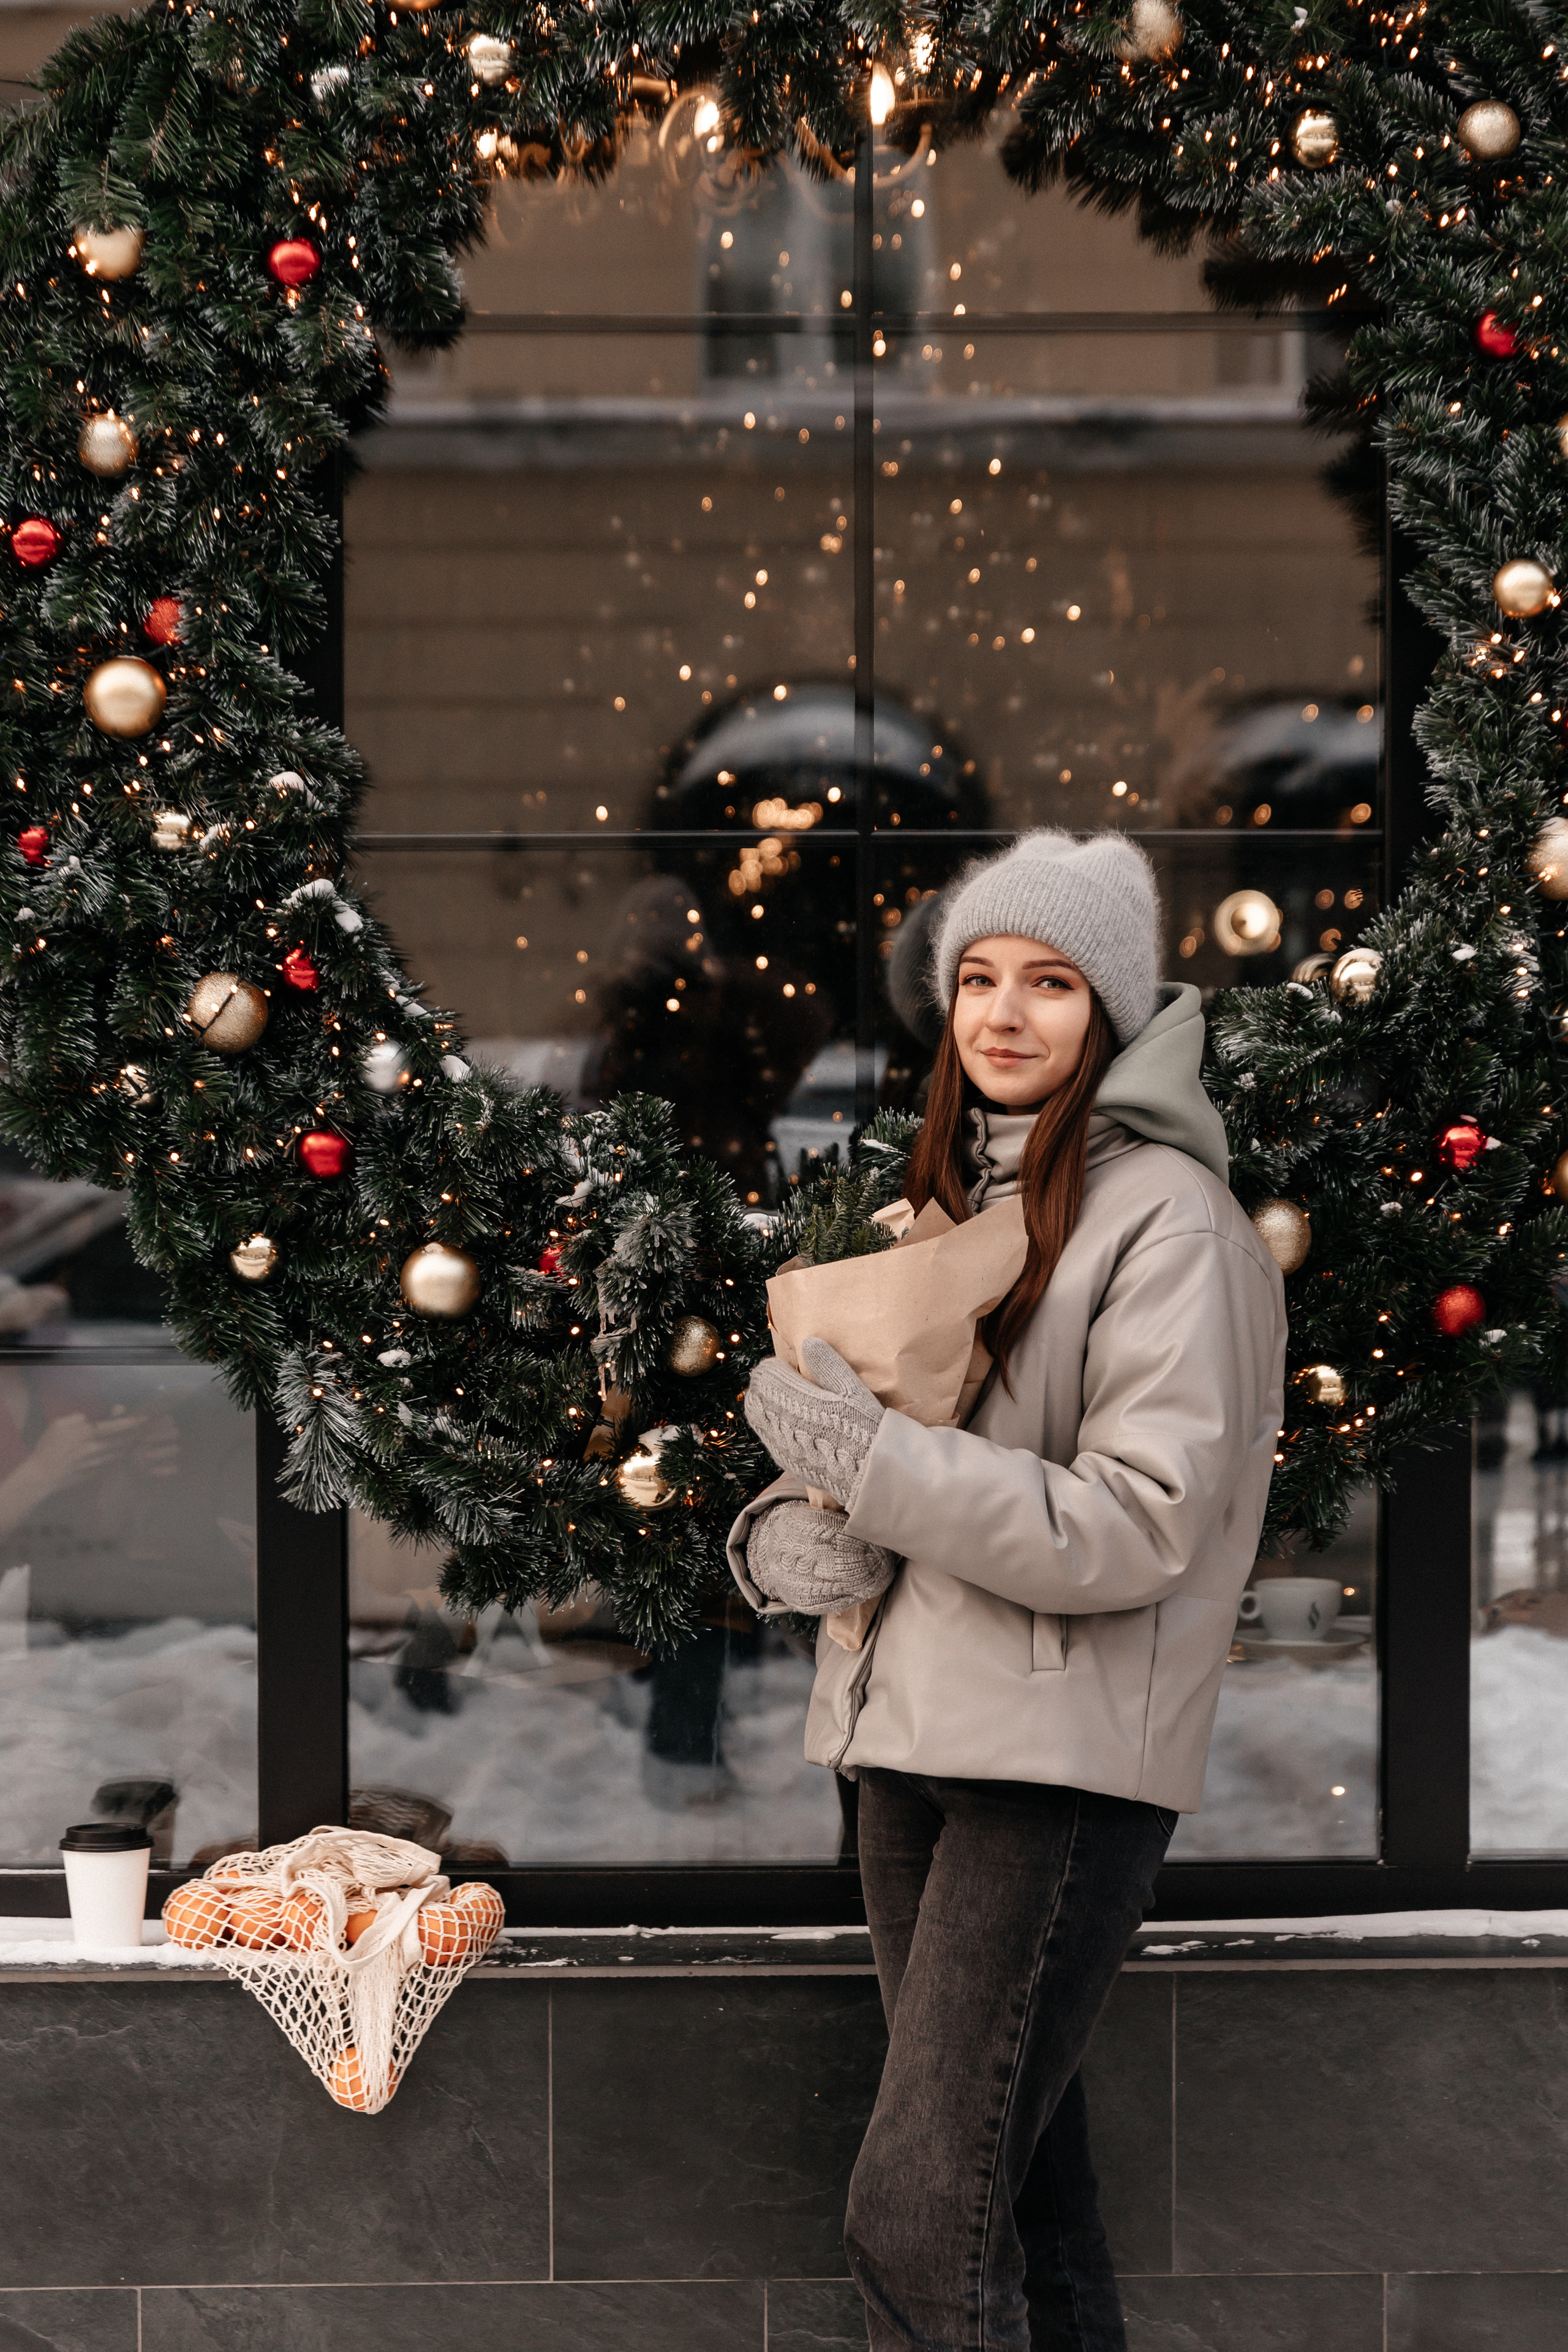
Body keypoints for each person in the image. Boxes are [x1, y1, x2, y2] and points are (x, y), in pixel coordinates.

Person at [728, 829, 1287, 2352]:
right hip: (908, 1748)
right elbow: (896, 1459)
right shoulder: (939, 1209)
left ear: (1108, 1010)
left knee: (914, 2216)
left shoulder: (1173, 1226)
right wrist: (803, 1521)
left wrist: (875, 1464)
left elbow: (1136, 1525)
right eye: (977, 978)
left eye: (1047, 982)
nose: (1002, 1013)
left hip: (1051, 1770)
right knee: (1013, 2197)